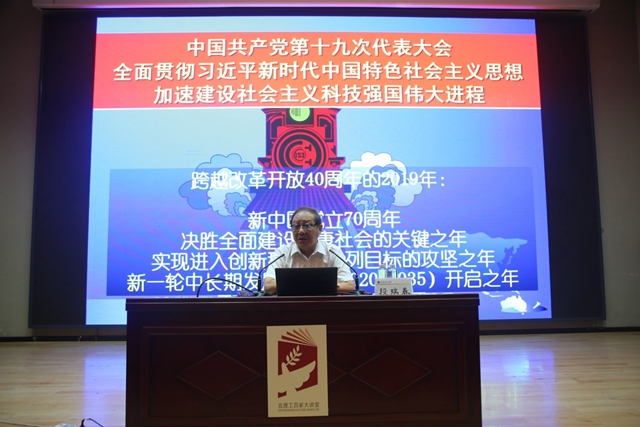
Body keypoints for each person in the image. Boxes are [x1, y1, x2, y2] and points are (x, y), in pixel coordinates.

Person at [263, 206, 355, 295]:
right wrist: (320, 286)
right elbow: (268, 286)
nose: (301, 231)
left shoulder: (333, 252)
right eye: (296, 226)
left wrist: (296, 286)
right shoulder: (282, 253)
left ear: (319, 228)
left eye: (307, 226)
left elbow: (349, 285)